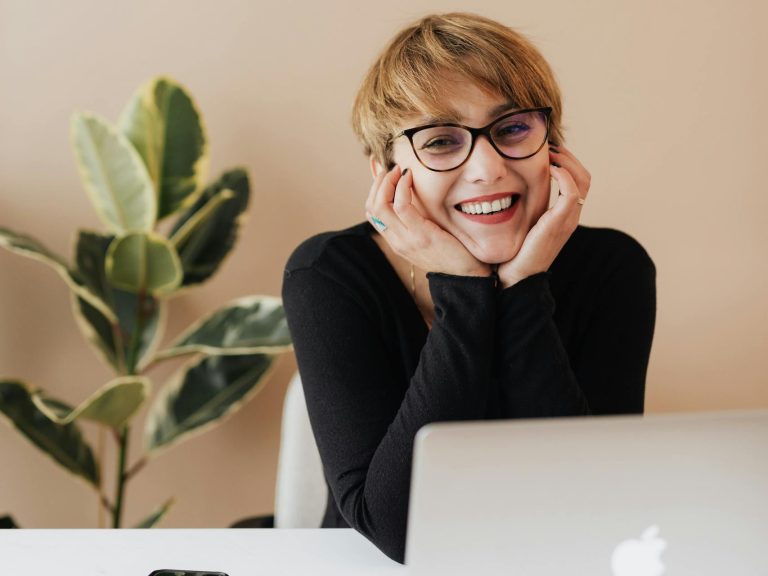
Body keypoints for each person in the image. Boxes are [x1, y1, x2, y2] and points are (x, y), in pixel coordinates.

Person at [282, 12, 656, 564]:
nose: (487, 169)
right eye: (439, 141)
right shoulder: (329, 275)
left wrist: (522, 285)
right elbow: (396, 530)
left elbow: (594, 502)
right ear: (387, 171)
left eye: (511, 130)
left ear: (552, 146)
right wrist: (463, 287)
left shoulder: (613, 267)